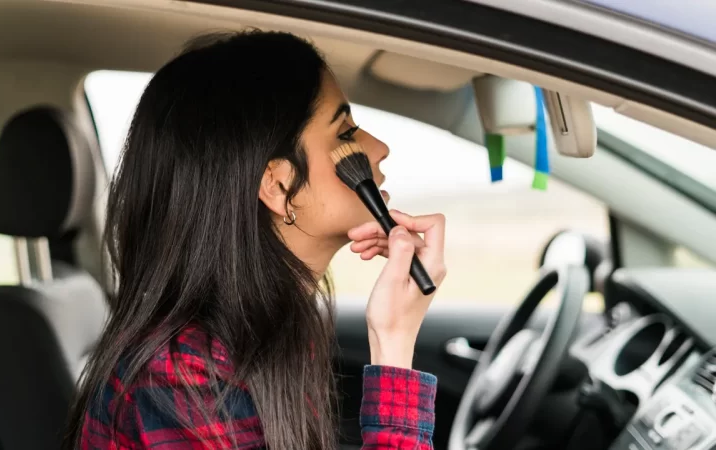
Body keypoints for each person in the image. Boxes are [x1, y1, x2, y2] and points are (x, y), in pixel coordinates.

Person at [63, 30, 447, 450]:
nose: (379, 147)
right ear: (279, 186)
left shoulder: (266, 336)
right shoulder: (182, 382)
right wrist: (393, 342)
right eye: (345, 133)